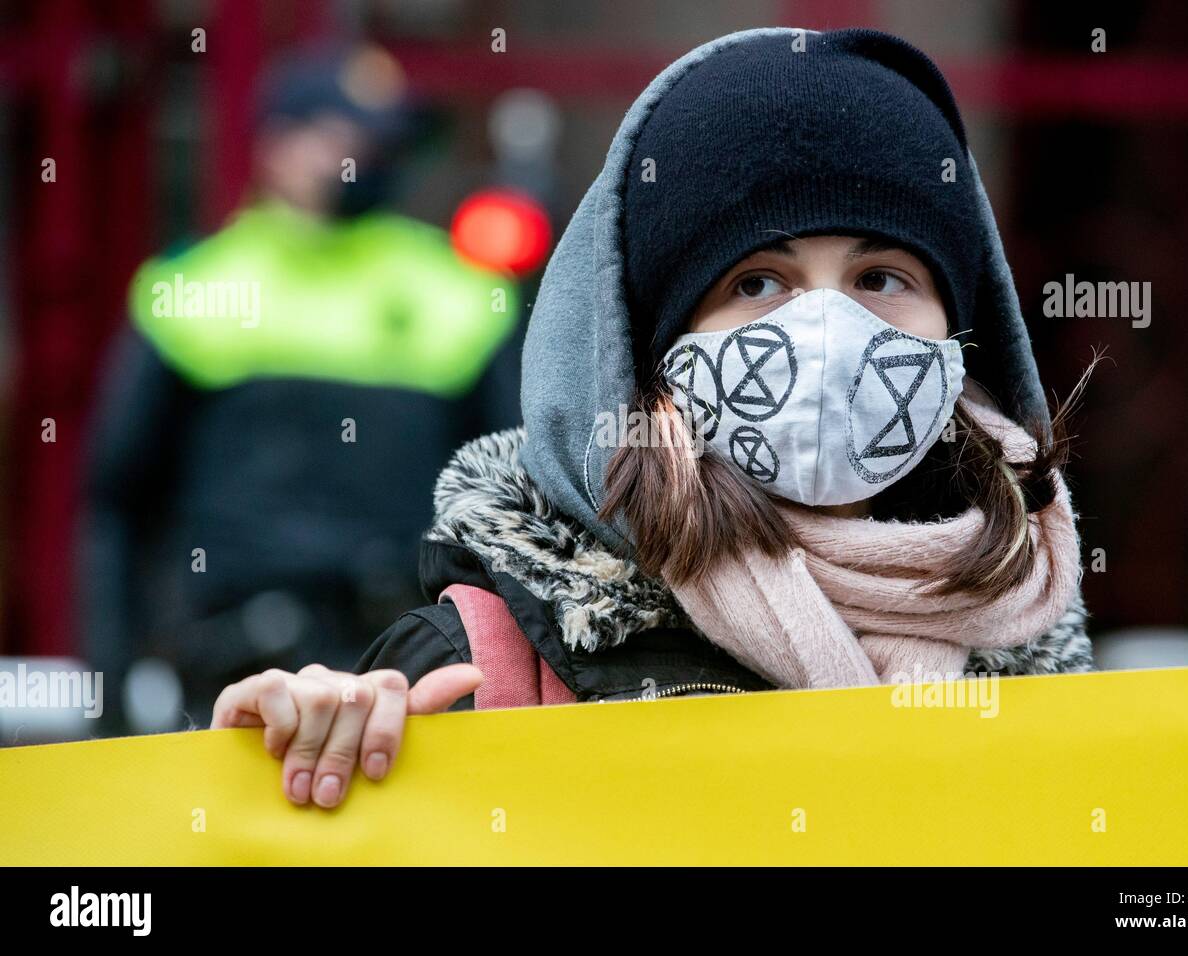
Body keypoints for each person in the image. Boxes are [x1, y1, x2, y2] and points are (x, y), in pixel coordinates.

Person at [212, 28, 1091, 809]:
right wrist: (307, 762)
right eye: (756, 284)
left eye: (883, 279)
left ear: (959, 330)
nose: (827, 332)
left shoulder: (1038, 663)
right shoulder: (480, 666)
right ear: (655, 344)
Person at [80, 45, 520, 733]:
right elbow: (114, 508)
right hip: (232, 683)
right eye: (346, 136)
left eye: (387, 139)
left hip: (413, 678)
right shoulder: (191, 291)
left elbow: (517, 516)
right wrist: (107, 705)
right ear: (276, 147)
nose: (372, 156)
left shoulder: (462, 293)